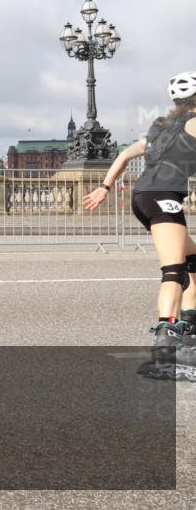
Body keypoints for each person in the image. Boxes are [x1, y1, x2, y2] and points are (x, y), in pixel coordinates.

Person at [85, 71, 196, 378]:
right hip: (163, 197)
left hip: (144, 197)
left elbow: (125, 154)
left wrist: (105, 187)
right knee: (174, 269)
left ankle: (189, 324)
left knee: (191, 259)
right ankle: (167, 339)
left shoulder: (163, 128)